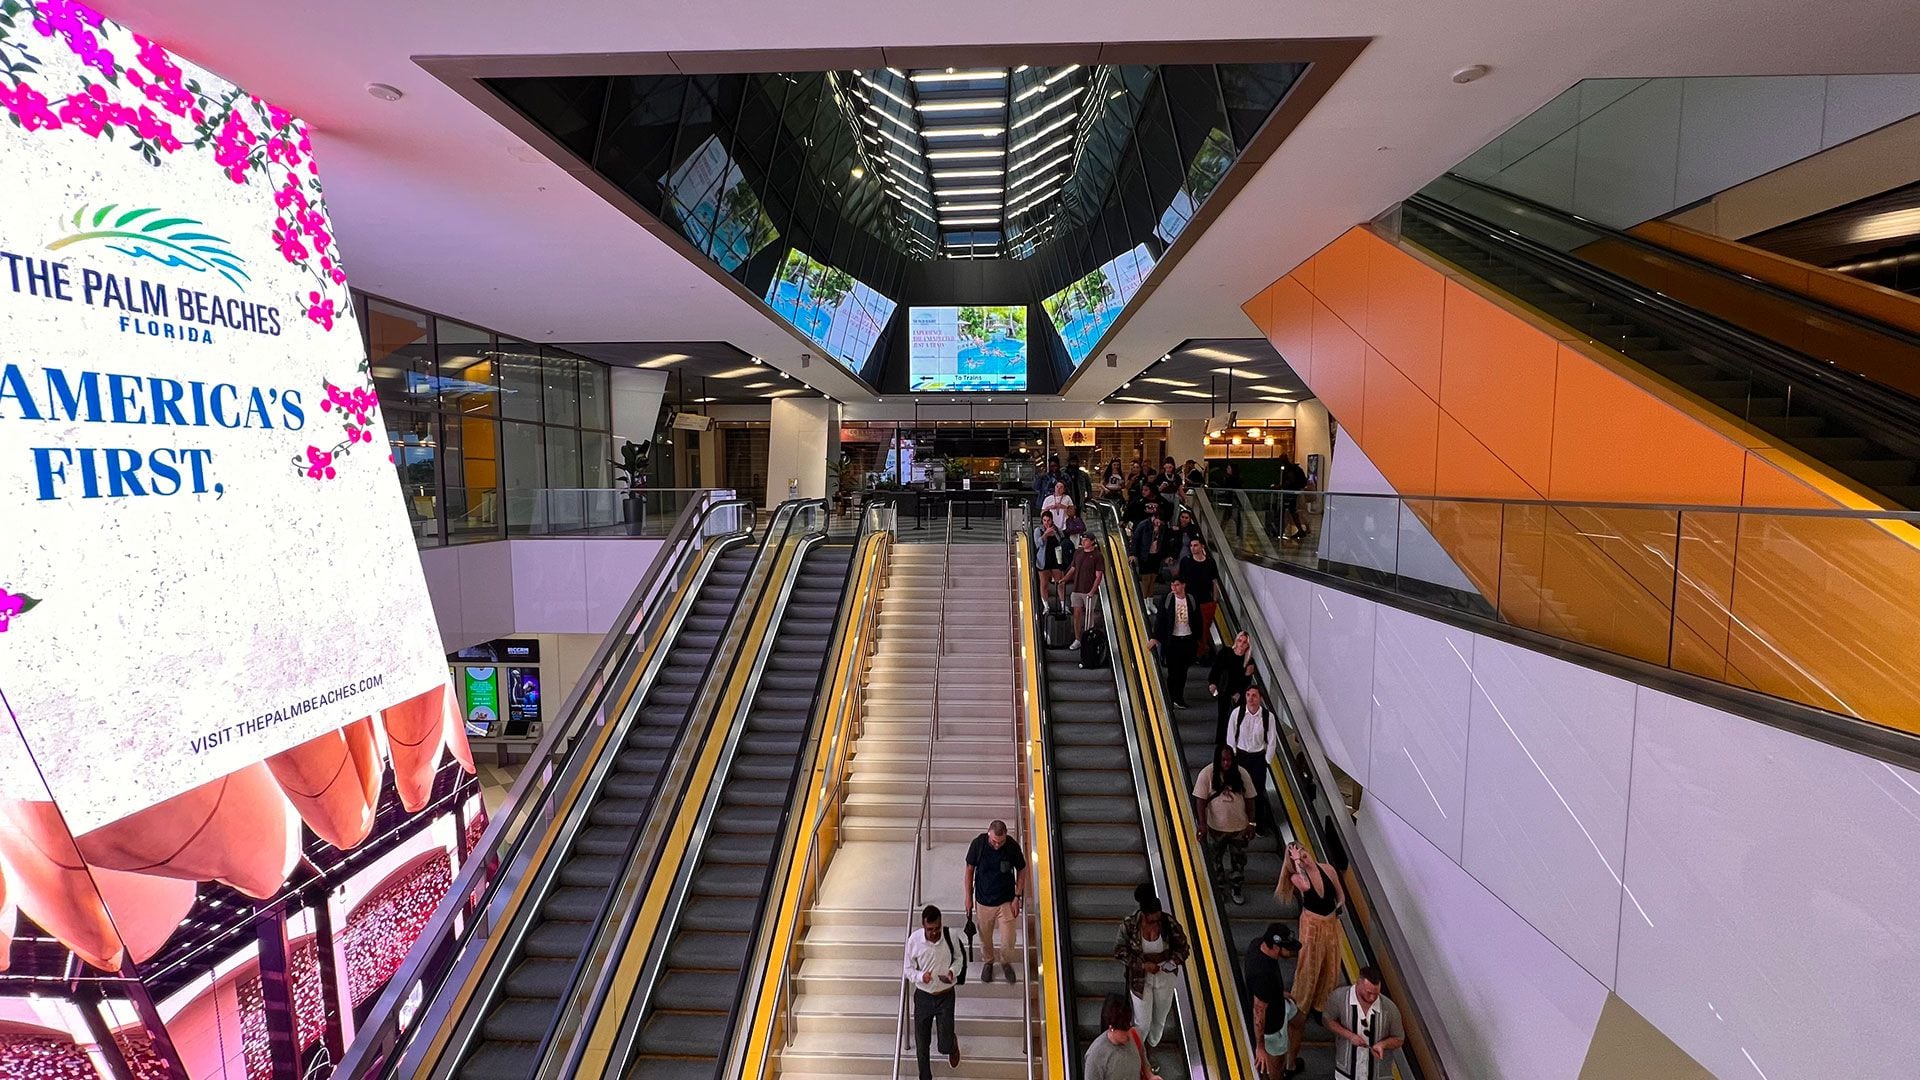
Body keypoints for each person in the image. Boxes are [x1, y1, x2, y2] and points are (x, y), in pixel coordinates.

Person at [1277, 840, 1347, 1075]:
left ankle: (1320, 1004)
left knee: (1331, 967)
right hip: (1312, 926)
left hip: (1330, 924)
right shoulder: (1296, 877)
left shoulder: (1327, 868)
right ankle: (1302, 1003)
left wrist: (1338, 910)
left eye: (1304, 852)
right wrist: (1297, 864)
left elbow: (1340, 894)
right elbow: (1306, 885)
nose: (1303, 857)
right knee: (1309, 967)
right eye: (1298, 856)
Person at [1114, 894, 1190, 1049]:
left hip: (1165, 977)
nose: (1156, 924)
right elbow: (1119, 951)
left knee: (1159, 1019)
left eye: (1158, 919)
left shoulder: (1169, 923)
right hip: (1140, 979)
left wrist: (1173, 961)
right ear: (1144, 914)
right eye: (1151, 920)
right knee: (1142, 1022)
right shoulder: (1129, 926)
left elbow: (1184, 949)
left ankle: (1151, 1047)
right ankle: (1138, 1053)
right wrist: (1143, 965)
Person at [903, 904, 964, 1078]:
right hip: (923, 997)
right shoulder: (914, 940)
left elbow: (959, 959)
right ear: (924, 926)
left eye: (937, 928)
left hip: (946, 996)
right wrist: (922, 976)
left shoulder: (950, 936)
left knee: (943, 1046)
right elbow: (908, 969)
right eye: (930, 929)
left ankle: (951, 1044)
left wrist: (952, 971)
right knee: (922, 1044)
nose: (934, 933)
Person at [964, 819, 1028, 983]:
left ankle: (1005, 962)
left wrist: (1017, 896)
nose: (998, 845)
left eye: (1001, 841)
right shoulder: (978, 844)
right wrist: (967, 897)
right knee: (985, 937)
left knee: (1008, 938)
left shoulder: (1012, 846)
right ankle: (988, 962)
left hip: (1006, 901)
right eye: (994, 841)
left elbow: (1022, 869)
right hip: (983, 901)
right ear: (988, 834)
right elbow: (969, 870)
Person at [1190, 744, 1256, 904]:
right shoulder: (1207, 773)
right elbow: (1200, 800)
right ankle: (1218, 887)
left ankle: (1236, 886)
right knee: (1215, 860)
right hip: (1215, 828)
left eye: (1229, 760)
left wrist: (1252, 823)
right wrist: (1202, 824)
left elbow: (1250, 799)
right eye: (1223, 760)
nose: (1226, 764)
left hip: (1239, 828)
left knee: (1238, 860)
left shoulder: (1242, 773)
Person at [1324, 967, 1406, 1080]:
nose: (1372, 997)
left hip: (1378, 1075)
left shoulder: (1390, 1008)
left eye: (1376, 994)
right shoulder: (1339, 998)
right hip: (1345, 1073)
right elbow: (1328, 1020)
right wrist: (1350, 1035)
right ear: (1358, 983)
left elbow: (1399, 1038)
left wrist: (1383, 1045)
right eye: (1369, 993)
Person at [1245, 923, 1299, 1079]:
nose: (1291, 951)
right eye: (1288, 948)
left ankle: (1291, 1064)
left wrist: (1277, 992)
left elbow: (1261, 991)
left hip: (1278, 1002)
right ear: (1276, 947)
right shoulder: (1263, 976)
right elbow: (1259, 1013)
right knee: (1276, 1068)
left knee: (1299, 1021)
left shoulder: (1257, 944)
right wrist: (1260, 1047)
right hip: (1273, 1027)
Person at [1225, 685, 1279, 836]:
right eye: (1248, 695)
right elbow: (1230, 736)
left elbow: (1272, 740)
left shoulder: (1268, 717)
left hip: (1258, 758)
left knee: (1257, 792)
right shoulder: (1238, 713)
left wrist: (1267, 760)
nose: (1250, 698)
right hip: (1241, 756)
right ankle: (1238, 822)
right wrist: (1233, 758)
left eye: (1254, 695)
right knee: (1238, 790)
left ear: (1260, 698)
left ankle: (1257, 824)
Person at [1084, 993, 1163, 1080]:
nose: (1129, 1034)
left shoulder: (1135, 1034)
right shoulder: (1095, 1057)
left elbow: (1143, 1059)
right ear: (1111, 1028)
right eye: (1124, 1030)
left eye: (1129, 1026)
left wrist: (1150, 1076)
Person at [1149, 578, 1201, 708]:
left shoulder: (1191, 599)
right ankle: (1171, 698)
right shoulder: (1168, 600)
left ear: (1183, 585)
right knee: (1173, 672)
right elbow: (1160, 619)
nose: (1174, 588)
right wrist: (1155, 637)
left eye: (1177, 585)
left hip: (1187, 640)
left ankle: (1178, 698)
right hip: (1173, 640)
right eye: (1172, 585)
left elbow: (1198, 619)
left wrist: (1198, 639)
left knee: (1183, 671)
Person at [1209, 631, 1256, 750]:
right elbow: (1216, 669)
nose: (1241, 644)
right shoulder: (1225, 652)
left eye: (1244, 642)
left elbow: (1246, 683)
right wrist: (1213, 683)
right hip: (1224, 689)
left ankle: (1231, 743)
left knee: (1234, 718)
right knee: (1223, 716)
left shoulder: (1248, 661)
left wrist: (1239, 693)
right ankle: (1220, 743)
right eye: (1240, 640)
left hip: (1237, 694)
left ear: (1248, 646)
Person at [1176, 538, 1219, 661]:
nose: (1193, 548)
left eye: (1195, 545)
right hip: (1189, 601)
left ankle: (1200, 653)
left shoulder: (1210, 563)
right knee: (1186, 627)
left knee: (1204, 629)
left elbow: (1214, 581)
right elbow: (1181, 581)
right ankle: (1188, 653)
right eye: (1191, 546)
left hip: (1205, 601)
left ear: (1202, 547)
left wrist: (1214, 600)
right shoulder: (1186, 561)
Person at [1067, 533, 1105, 650]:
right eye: (1083, 539)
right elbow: (1073, 569)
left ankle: (1088, 640)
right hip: (1077, 589)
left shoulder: (1097, 556)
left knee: (1089, 616)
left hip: (1089, 591)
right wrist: (1064, 579)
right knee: (1077, 614)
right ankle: (1078, 639)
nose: (1083, 542)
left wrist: (1092, 591)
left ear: (1092, 541)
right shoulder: (1078, 553)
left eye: (1086, 540)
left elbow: (1098, 576)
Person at [1131, 503, 1173, 596]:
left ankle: (1150, 600)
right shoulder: (1143, 525)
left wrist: (1167, 555)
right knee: (1146, 579)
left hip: (1156, 556)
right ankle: (1144, 601)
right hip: (1145, 555)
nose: (1160, 523)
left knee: (1153, 578)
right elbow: (1135, 540)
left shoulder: (1163, 528)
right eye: (1159, 521)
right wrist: (1132, 554)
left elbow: (1166, 543)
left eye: (1162, 522)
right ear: (1155, 517)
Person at [1036, 517, 1073, 612]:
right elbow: (1038, 543)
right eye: (1044, 520)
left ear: (1052, 520)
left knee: (1060, 582)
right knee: (1044, 584)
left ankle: (1063, 605)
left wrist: (1054, 532)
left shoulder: (1056, 529)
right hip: (1043, 560)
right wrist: (1045, 534)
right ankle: (1046, 606)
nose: (1047, 523)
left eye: (1048, 520)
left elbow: (1061, 540)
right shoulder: (1038, 530)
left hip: (1056, 559)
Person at [1276, 454, 1310, 541]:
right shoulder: (1293, 468)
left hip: (1291, 494)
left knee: (1287, 511)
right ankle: (1300, 530)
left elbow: (1290, 481)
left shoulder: (1289, 469)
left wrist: (1281, 486)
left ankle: (1281, 531)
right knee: (1293, 511)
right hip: (1295, 492)